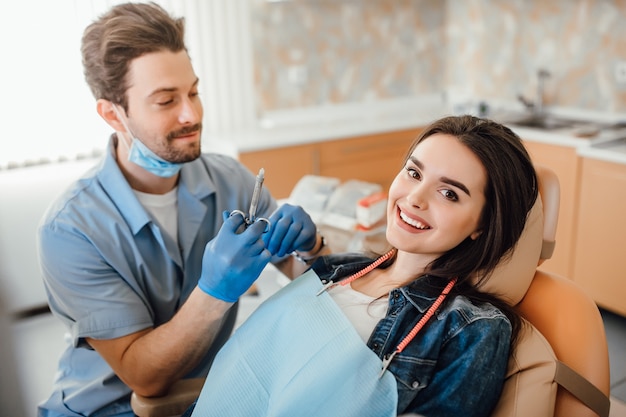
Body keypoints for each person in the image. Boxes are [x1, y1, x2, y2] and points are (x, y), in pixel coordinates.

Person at [36, 3, 327, 416]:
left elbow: (313, 281)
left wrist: (314, 247)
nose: (192, 114)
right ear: (112, 114)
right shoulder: (70, 229)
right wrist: (214, 291)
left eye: (193, 92)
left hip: (205, 399)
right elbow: (145, 378)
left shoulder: (232, 181)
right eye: (166, 100)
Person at [184, 115, 538, 417]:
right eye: (414, 173)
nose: (414, 199)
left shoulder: (470, 329)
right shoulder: (341, 268)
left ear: (483, 224)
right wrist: (307, 248)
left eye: (449, 194)